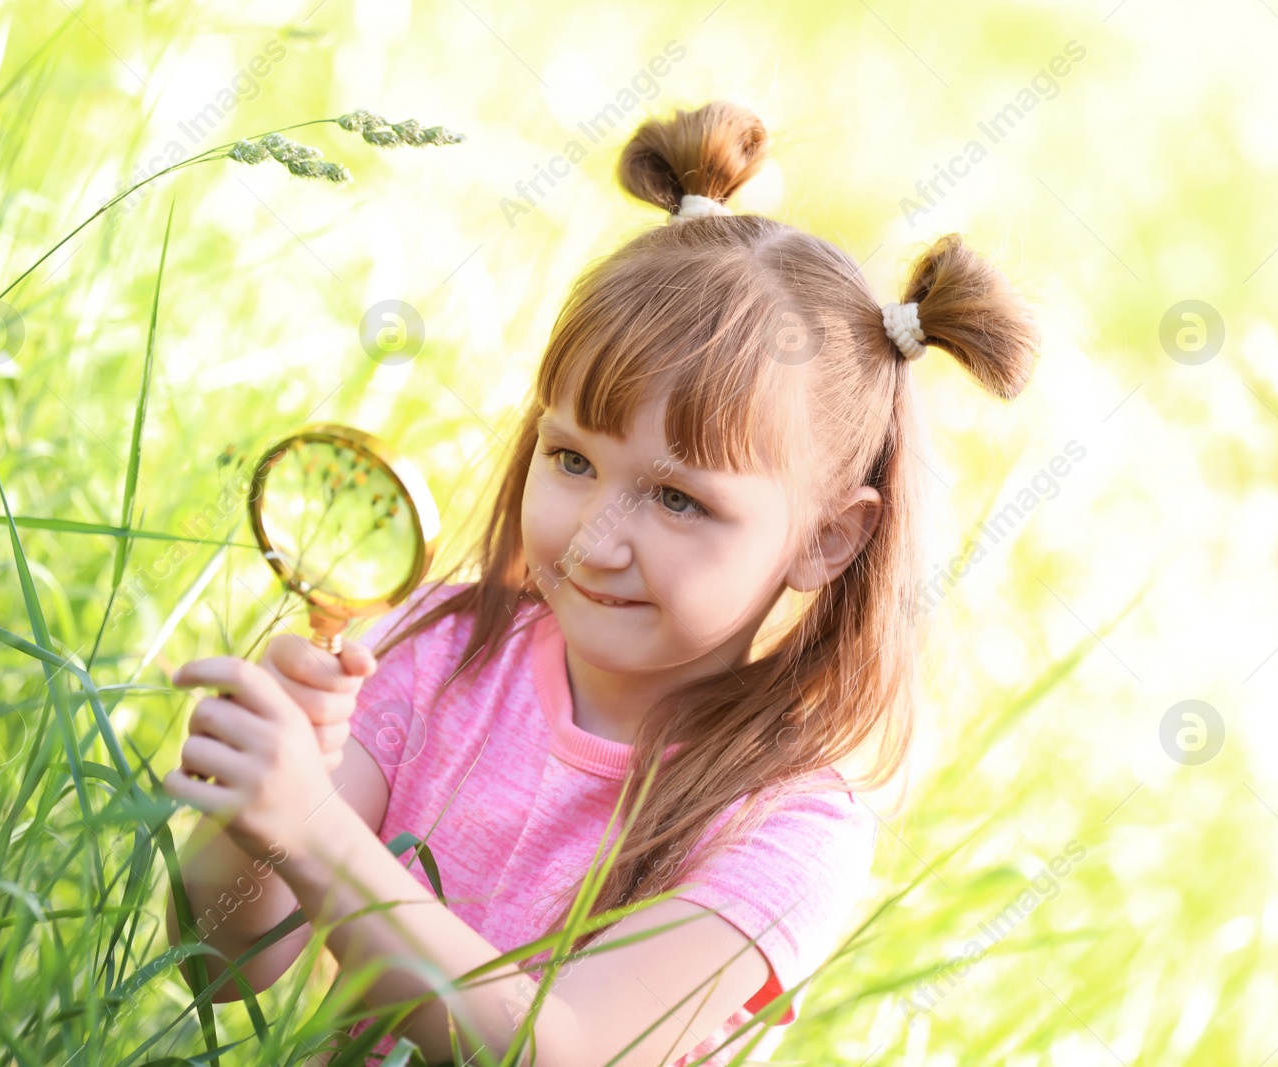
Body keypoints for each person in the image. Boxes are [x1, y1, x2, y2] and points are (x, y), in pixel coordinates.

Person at [161, 99, 1042, 1066]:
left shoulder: (789, 825)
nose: (595, 540)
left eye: (678, 499)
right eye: (573, 460)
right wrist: (259, 813)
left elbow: (557, 1047)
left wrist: (318, 830)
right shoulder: (440, 649)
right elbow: (225, 967)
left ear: (827, 540)